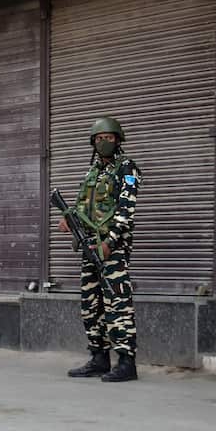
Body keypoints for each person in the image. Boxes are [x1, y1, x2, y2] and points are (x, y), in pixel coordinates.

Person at [61, 116, 141, 383]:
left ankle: (127, 363)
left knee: (117, 303)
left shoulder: (127, 169)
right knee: (90, 304)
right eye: (98, 138)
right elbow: (83, 205)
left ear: (118, 140)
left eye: (108, 138)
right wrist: (69, 217)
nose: (103, 142)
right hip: (91, 246)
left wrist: (110, 242)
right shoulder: (92, 172)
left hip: (112, 248)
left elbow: (126, 211)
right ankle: (99, 358)